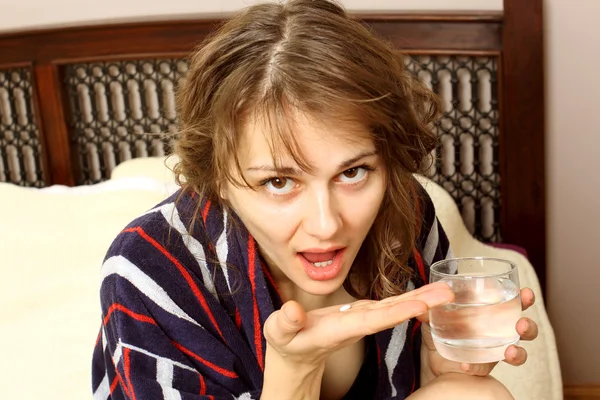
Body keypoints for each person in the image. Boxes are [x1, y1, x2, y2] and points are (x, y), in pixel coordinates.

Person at [91, 1, 539, 399]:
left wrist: (439, 372)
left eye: (352, 172)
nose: (326, 226)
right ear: (217, 179)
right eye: (279, 182)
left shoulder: (405, 213)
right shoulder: (148, 268)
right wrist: (295, 369)